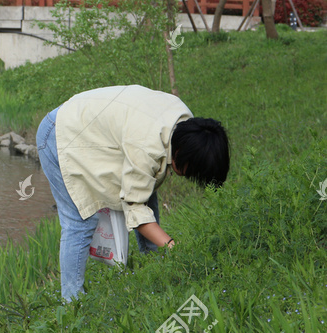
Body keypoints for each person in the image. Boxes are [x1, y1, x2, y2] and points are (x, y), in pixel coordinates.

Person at [36, 85, 229, 302]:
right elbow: (135, 209)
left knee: (145, 187)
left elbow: (143, 185)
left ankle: (156, 269)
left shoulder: (186, 124)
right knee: (80, 221)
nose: (187, 177)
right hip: (60, 136)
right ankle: (71, 305)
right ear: (181, 154)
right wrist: (174, 247)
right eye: (190, 173)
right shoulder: (147, 147)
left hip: (89, 127)